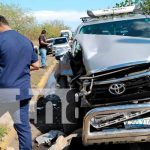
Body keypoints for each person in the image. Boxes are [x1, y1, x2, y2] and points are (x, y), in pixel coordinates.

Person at [0, 16, 39, 150]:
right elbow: (36, 64)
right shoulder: (25, 40)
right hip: (22, 91)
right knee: (23, 128)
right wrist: (20, 68)